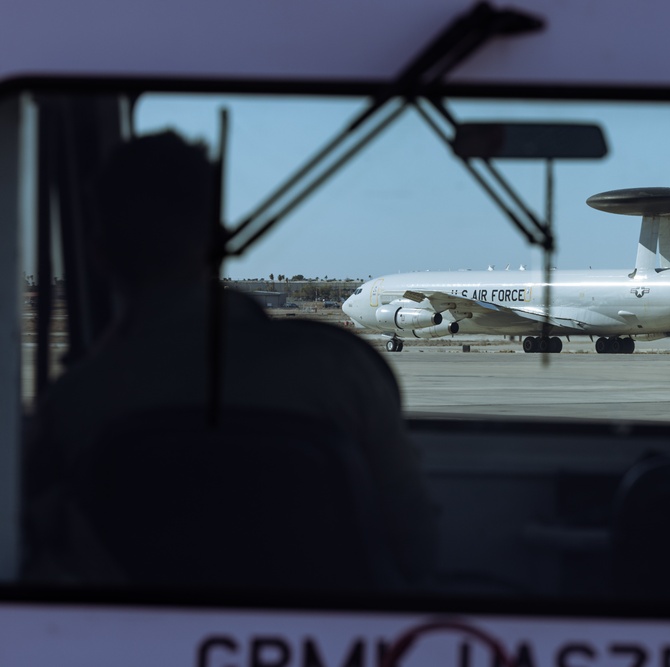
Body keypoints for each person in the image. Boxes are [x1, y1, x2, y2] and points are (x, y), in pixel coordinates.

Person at [25, 130, 436, 587]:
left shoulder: (77, 400)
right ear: (219, 237)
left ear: (99, 254)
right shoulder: (340, 368)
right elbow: (415, 539)